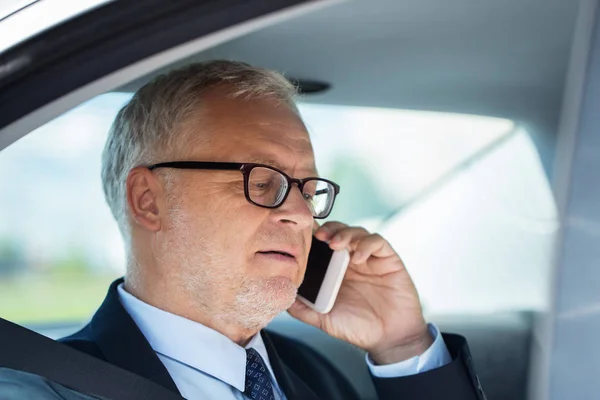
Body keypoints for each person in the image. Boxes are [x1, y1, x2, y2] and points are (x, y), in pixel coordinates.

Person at [60, 60, 486, 400]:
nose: (302, 215)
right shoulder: (47, 386)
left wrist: (402, 346)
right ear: (148, 201)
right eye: (263, 183)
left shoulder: (317, 374)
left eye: (308, 189)